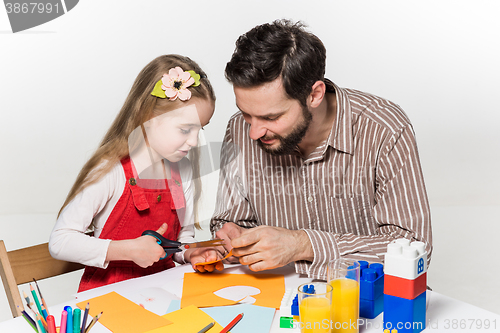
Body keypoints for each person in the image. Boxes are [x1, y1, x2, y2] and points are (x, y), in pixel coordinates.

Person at [210, 20, 432, 280]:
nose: (253, 132)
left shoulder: (384, 129)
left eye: (271, 117)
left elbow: (415, 248)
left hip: (368, 303)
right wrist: (231, 233)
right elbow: (230, 222)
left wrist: (302, 244)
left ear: (314, 95)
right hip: (275, 298)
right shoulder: (238, 129)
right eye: (246, 113)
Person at [49, 54, 221, 291]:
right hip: (108, 299)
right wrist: (128, 250)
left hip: (162, 293)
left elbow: (183, 239)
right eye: (184, 130)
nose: (193, 141)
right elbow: (60, 241)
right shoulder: (110, 171)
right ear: (148, 117)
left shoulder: (183, 171)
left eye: (199, 130)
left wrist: (192, 254)